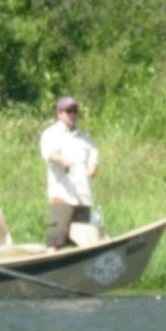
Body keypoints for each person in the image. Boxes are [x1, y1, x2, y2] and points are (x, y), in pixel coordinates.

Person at [39, 96, 99, 252]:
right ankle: (48, 265)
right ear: (59, 113)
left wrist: (92, 167)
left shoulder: (84, 138)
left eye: (75, 111)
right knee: (55, 238)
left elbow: (93, 156)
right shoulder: (51, 133)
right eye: (68, 111)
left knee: (83, 240)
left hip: (83, 197)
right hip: (63, 194)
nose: (72, 114)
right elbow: (49, 154)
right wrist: (61, 160)